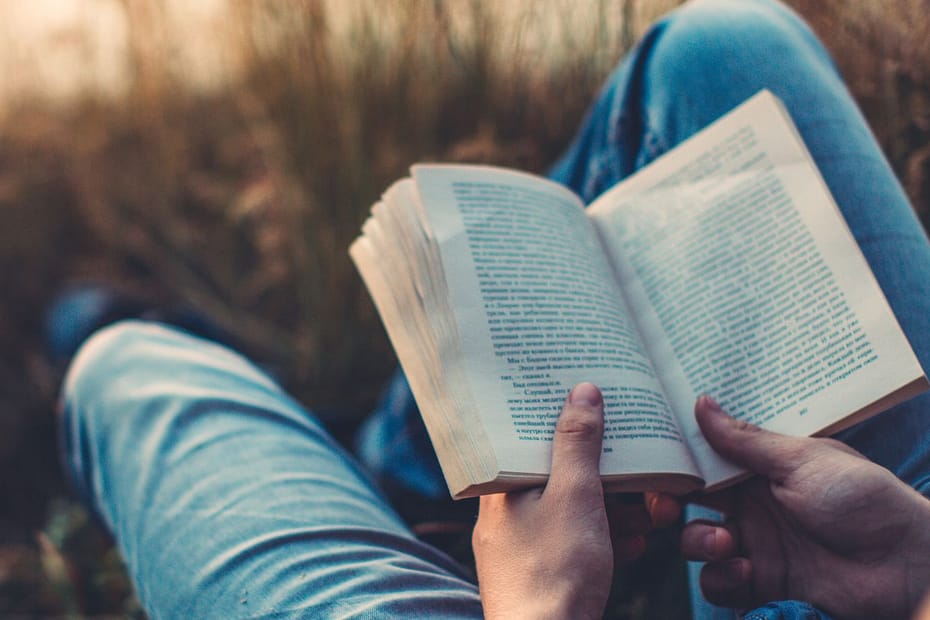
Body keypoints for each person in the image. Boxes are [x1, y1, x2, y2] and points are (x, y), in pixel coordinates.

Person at [55, 0, 930, 617]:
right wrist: (911, 560)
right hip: (894, 559)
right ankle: (398, 464)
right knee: (720, 43)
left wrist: (543, 606)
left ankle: (115, 337)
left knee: (138, 368)